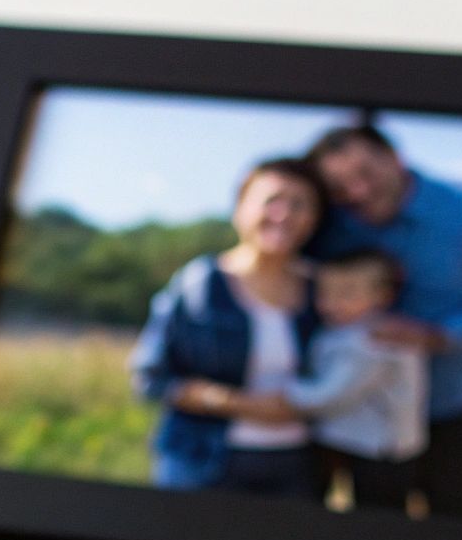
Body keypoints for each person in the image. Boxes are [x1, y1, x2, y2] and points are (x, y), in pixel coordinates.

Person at [305, 125, 462, 520]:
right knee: (374, 532)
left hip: (460, 402)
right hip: (370, 412)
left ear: (395, 158)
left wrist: (439, 336)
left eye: (365, 174)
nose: (357, 192)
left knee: (459, 531)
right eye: (339, 186)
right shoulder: (332, 224)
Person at [128, 158, 326, 496]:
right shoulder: (200, 283)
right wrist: (240, 404)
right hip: (203, 460)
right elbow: (151, 377)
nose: (284, 214)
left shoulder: (325, 289)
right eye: (271, 201)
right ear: (240, 208)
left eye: (299, 204)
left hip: (296, 466)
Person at [248, 249, 427, 513]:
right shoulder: (343, 330)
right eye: (325, 293)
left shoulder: (376, 341)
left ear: (382, 296)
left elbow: (331, 395)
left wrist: (284, 392)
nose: (332, 303)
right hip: (349, 440)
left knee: (380, 523)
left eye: (347, 293)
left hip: (379, 450)